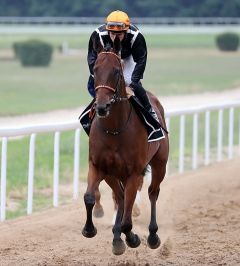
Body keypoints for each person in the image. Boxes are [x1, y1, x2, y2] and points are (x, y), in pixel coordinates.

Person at [87, 10, 159, 121]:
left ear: (126, 31)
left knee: (132, 82)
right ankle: (91, 115)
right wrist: (97, 76)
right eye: (112, 33)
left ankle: (150, 111)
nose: (115, 37)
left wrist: (132, 85)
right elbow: (92, 59)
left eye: (119, 34)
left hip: (127, 58)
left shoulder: (136, 36)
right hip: (106, 58)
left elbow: (141, 60)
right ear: (107, 30)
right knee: (93, 84)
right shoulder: (98, 35)